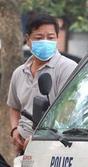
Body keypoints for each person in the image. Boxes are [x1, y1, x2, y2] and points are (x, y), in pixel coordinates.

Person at [7, 13, 76, 154]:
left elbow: (68, 111)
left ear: (57, 38)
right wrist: (14, 130)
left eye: (50, 38)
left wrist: (39, 138)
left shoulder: (67, 68)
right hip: (23, 147)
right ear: (28, 39)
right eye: (39, 38)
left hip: (55, 146)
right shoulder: (19, 73)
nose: (45, 41)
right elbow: (14, 108)